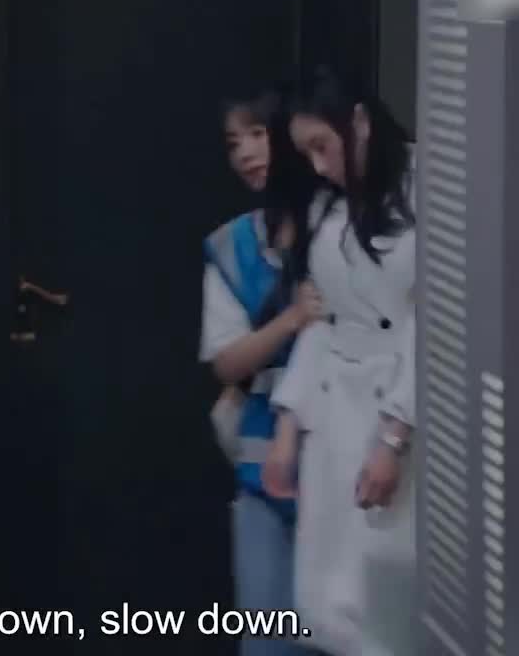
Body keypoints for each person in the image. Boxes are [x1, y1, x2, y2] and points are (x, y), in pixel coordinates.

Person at [262, 67, 417, 656]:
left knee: (391, 605)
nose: (319, 166)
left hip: (400, 415)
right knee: (331, 605)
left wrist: (393, 438)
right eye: (307, 154)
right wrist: (288, 427)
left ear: (359, 122)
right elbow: (324, 324)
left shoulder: (428, 186)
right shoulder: (328, 209)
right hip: (333, 418)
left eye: (323, 147)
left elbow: (432, 324)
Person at [200, 85, 323, 655]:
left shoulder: (341, 226)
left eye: (258, 134)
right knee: (268, 638)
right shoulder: (233, 246)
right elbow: (226, 360)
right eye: (233, 143)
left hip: (342, 466)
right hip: (261, 469)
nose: (246, 152)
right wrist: (292, 319)